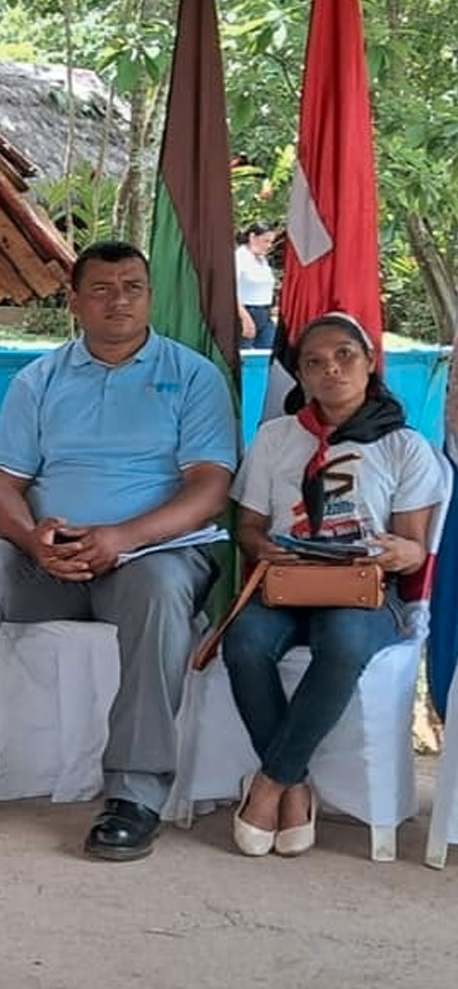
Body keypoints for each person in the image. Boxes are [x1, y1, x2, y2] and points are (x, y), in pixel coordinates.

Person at [0, 240, 238, 861]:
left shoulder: (192, 376)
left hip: (147, 556)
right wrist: (30, 539)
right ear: (75, 302)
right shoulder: (40, 379)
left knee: (162, 591)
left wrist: (122, 538)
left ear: (150, 295)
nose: (119, 301)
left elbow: (211, 488)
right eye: (101, 290)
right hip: (46, 558)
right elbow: (1, 483)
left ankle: (135, 793)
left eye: (133, 287)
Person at [222, 313, 444, 857]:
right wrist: (260, 546)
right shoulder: (277, 437)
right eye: (315, 362)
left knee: (343, 642)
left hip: (363, 591)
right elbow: (247, 526)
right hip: (287, 582)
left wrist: (399, 550)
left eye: (345, 355)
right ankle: (296, 783)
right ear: (299, 375)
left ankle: (271, 784)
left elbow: (415, 548)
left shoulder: (403, 446)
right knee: (243, 642)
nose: (332, 370)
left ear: (370, 363)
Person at [236, 222, 277, 350]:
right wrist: (244, 317)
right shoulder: (239, 258)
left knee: (269, 353)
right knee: (246, 355)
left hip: (265, 313)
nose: (269, 246)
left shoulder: (262, 260)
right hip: (246, 311)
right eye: (265, 241)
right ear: (253, 237)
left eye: (271, 242)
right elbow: (231, 291)